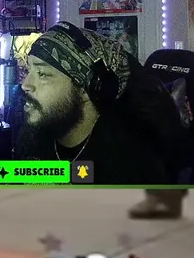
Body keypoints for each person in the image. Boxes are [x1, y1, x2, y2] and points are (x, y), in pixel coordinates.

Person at [13, 22, 182, 185]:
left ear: (84, 89)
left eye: (42, 74)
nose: (25, 84)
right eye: (28, 70)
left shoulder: (127, 168)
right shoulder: (35, 138)